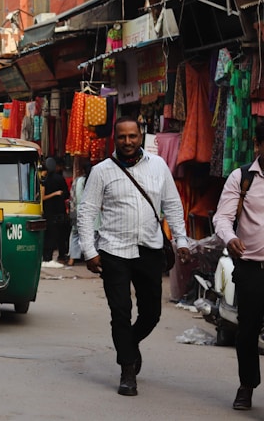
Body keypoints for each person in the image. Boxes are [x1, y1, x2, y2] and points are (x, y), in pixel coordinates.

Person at [76, 116, 190, 397]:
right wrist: (89, 251)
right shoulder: (101, 171)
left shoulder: (159, 166)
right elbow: (87, 211)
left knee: (152, 313)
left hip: (149, 249)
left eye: (133, 137)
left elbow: (173, 206)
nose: (128, 142)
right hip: (114, 250)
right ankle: (128, 370)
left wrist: (182, 240)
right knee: (120, 312)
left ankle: (130, 343)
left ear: (141, 137)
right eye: (122, 137)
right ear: (114, 139)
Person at [212, 121, 264, 411]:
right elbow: (222, 217)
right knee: (247, 331)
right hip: (251, 268)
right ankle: (247, 385)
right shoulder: (242, 177)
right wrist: (230, 238)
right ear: (258, 144)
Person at [40, 156, 69, 268]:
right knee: (56, 235)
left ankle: (47, 257)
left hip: (46, 212)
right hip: (57, 212)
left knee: (48, 235)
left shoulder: (42, 179)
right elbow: (65, 193)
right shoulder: (58, 179)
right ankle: (54, 257)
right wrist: (57, 194)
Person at [67, 158, 92, 266]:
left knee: (75, 235)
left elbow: (72, 198)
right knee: (92, 236)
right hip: (93, 215)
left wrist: (71, 212)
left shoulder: (77, 181)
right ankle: (90, 258)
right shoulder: (94, 181)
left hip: (78, 212)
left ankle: (72, 259)